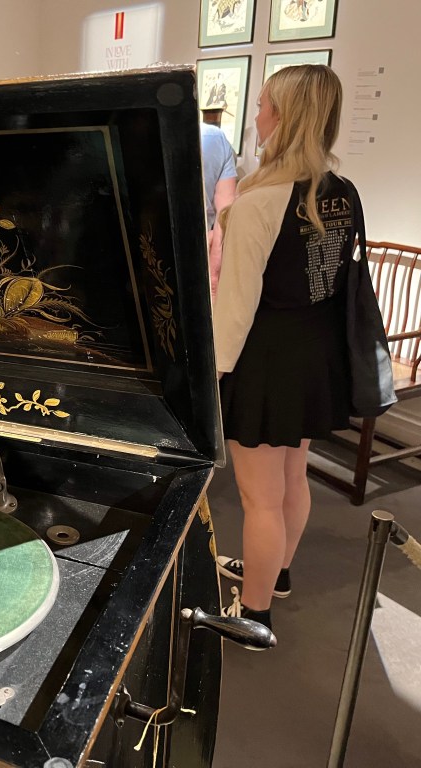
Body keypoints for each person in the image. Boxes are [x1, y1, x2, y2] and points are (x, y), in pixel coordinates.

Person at [212, 65, 356, 632]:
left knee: (260, 499)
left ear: (285, 116)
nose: (257, 114)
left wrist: (213, 373)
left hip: (267, 360)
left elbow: (237, 305)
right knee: (293, 478)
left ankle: (253, 615)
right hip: (315, 353)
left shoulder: (260, 202)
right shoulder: (342, 192)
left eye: (264, 103)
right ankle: (279, 574)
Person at [200, 116, 238, 297]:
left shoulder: (213, 138)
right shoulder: (214, 138)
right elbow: (225, 210)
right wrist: (214, 275)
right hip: (201, 247)